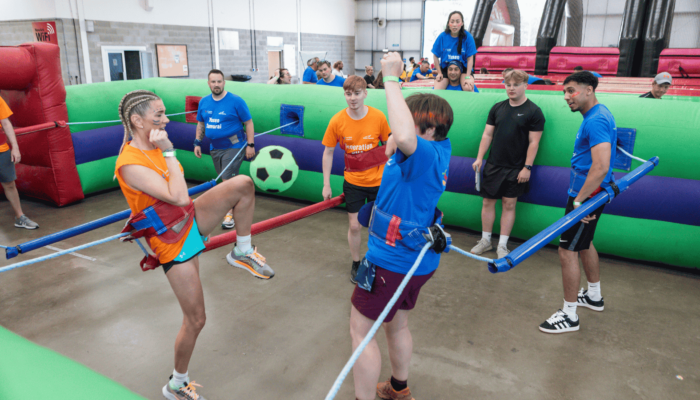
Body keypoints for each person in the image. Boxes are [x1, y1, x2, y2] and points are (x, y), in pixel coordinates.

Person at [114, 90, 274, 400]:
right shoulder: (130, 162)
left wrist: (165, 151)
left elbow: (181, 201)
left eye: (164, 113)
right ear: (137, 120)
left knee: (242, 184)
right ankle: (176, 383)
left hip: (187, 220)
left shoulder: (154, 147)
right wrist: (170, 151)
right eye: (158, 115)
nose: (166, 120)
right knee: (196, 319)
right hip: (169, 241)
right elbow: (177, 195)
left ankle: (241, 250)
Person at [350, 52, 453, 400]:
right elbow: (405, 142)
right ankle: (398, 388)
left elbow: (408, 139)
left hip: (391, 263)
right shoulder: (439, 150)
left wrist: (391, 78)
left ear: (429, 130)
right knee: (397, 325)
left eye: (407, 121)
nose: (398, 127)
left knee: (361, 333)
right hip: (416, 262)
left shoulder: (421, 153)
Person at [539, 71, 617, 334]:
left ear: (589, 90)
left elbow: (601, 166)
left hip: (588, 194)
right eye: (564, 92)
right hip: (589, 192)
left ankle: (569, 314)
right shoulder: (598, 114)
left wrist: (580, 201)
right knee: (583, 244)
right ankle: (593, 296)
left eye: (571, 90)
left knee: (566, 250)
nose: (566, 97)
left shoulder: (596, 120)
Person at [321, 75, 391, 283]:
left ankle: (378, 261)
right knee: (354, 226)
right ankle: (356, 262)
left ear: (365, 94)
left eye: (357, 93)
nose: (352, 98)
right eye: (348, 94)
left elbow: (391, 148)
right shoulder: (337, 120)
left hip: (379, 183)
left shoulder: (378, 117)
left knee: (378, 226)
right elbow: (328, 153)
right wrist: (326, 184)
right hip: (354, 183)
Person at [471, 69, 545, 258]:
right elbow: (487, 135)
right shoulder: (497, 108)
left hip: (516, 168)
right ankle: (485, 240)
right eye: (508, 84)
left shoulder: (534, 112)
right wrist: (480, 158)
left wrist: (527, 167)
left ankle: (502, 245)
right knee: (487, 201)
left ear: (525, 86)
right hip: (494, 165)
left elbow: (534, 142)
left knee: (509, 204)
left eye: (515, 85)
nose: (511, 88)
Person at [194, 69, 256, 230]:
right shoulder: (204, 102)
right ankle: (233, 204)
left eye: (219, 81)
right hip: (215, 147)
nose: (216, 85)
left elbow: (248, 123)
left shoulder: (236, 101)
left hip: (235, 145)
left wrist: (250, 145)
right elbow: (201, 124)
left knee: (227, 179)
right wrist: (197, 143)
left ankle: (229, 213)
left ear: (224, 82)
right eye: (213, 82)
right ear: (208, 83)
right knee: (224, 180)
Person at [0, 96, 39, 229]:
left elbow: (5, 123)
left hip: (1, 150)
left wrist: (15, 147)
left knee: (10, 184)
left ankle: (19, 217)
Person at [431, 10, 477, 91]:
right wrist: (439, 73)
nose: (455, 24)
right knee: (437, 90)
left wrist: (467, 76)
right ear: (448, 23)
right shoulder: (442, 36)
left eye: (457, 21)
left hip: (464, 69)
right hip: (446, 69)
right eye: (452, 21)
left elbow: (470, 59)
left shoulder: (468, 37)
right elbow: (435, 56)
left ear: (462, 23)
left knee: (468, 88)